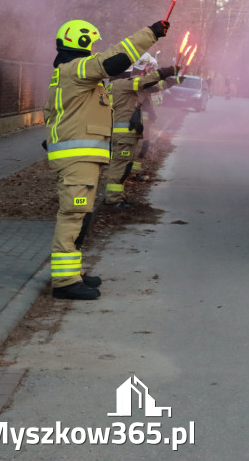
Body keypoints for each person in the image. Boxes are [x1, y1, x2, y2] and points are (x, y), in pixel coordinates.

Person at [45, 18, 168, 300]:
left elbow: (54, 114)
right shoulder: (77, 68)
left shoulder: (66, 73)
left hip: (80, 157)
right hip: (78, 159)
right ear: (82, 42)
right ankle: (64, 281)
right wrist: (151, 33)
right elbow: (115, 58)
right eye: (91, 44)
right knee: (74, 215)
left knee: (80, 215)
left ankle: (71, 272)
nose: (94, 50)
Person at [103, 58, 178, 208]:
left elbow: (151, 86)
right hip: (124, 134)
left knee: (123, 166)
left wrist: (171, 80)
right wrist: (164, 72)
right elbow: (144, 82)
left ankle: (117, 197)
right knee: (120, 166)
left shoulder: (116, 85)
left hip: (125, 134)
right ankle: (113, 199)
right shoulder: (123, 84)